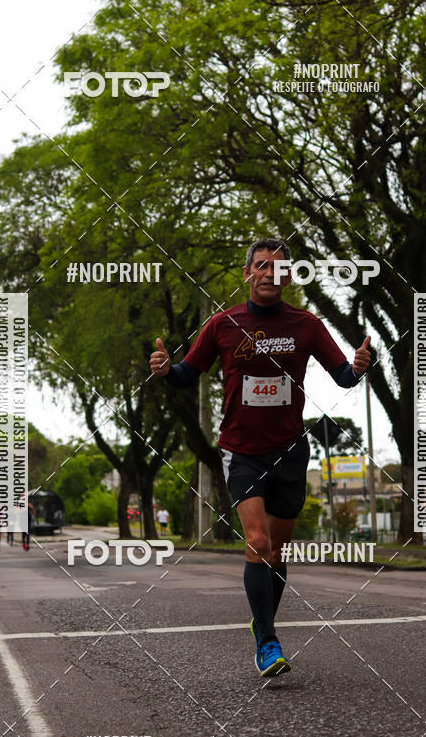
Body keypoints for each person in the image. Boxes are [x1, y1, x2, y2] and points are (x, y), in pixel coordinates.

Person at [150, 238, 371, 678]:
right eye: (262, 266)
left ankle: (262, 618)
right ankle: (267, 641)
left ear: (288, 276)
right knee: (257, 542)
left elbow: (343, 376)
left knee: (277, 552)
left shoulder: (306, 324)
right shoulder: (222, 324)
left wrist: (361, 366)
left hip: (289, 450)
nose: (270, 274)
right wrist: (164, 369)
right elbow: (186, 374)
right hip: (241, 450)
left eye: (279, 268)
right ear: (247, 272)